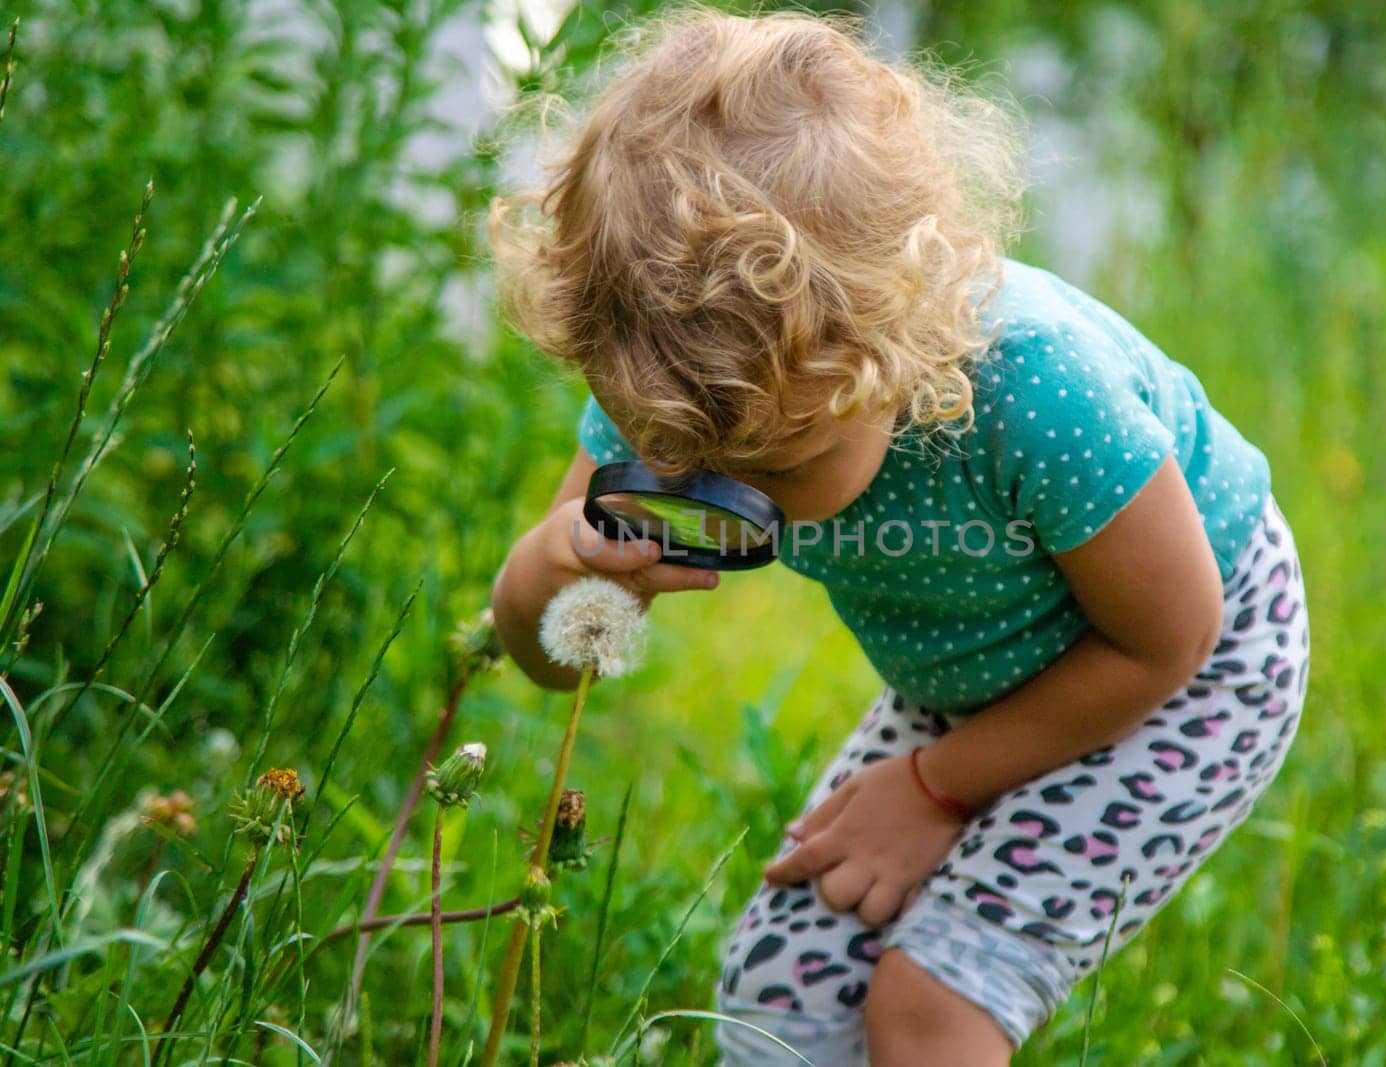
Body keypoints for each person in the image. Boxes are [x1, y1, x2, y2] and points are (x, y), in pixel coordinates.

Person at [486, 5, 1309, 1064]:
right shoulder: (673, 380)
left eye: (775, 466)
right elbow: (542, 659)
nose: (733, 493)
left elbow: (1167, 639)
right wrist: (558, 559)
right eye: (685, 457)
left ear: (896, 334)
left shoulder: (1035, 388)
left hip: (1192, 659)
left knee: (930, 1002)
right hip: (978, 676)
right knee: (773, 994)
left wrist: (932, 786)